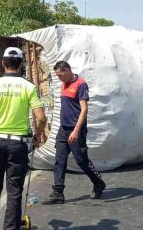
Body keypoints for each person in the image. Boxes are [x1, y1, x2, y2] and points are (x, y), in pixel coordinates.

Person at [0, 47, 48, 230]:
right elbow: (41, 118)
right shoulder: (28, 87)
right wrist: (36, 136)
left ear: (3, 63)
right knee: (14, 191)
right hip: (18, 145)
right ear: (21, 64)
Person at [45, 61, 105, 205]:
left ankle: (98, 182)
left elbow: (84, 109)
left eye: (60, 75)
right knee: (59, 160)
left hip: (75, 129)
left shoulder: (81, 84)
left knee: (81, 160)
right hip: (63, 129)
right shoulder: (63, 84)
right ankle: (58, 192)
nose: (59, 78)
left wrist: (76, 131)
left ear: (67, 70)